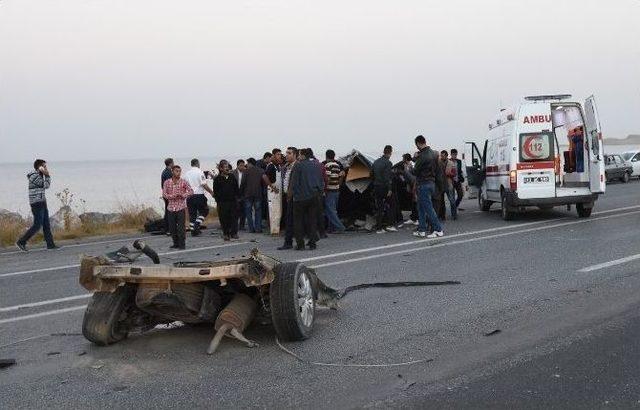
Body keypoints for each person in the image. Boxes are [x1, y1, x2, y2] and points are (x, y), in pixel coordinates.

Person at [16, 159, 59, 251]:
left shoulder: (40, 175)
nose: (46, 168)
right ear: (39, 167)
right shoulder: (34, 176)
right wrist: (47, 175)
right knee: (37, 225)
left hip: (42, 201)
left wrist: (45, 174)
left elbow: (45, 185)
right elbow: (46, 185)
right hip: (36, 203)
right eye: (44, 166)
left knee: (46, 224)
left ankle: (50, 244)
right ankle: (22, 241)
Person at [289, 148, 323, 250]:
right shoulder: (317, 165)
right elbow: (321, 180)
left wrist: (292, 195)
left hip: (300, 197)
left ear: (303, 155)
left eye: (299, 154)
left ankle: (300, 244)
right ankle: (312, 243)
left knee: (298, 221)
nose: (298, 156)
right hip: (314, 196)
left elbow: (294, 182)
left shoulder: (298, 165)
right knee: (312, 220)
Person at [412, 136, 444, 238]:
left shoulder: (422, 155)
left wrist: (413, 162)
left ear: (418, 143)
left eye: (416, 145)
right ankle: (422, 230)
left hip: (423, 184)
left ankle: (438, 229)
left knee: (428, 208)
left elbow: (415, 171)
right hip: (432, 183)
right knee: (421, 207)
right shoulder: (434, 153)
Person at [162, 165, 193, 249]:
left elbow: (191, 191)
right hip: (171, 208)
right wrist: (172, 196)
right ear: (172, 171)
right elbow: (164, 194)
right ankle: (175, 243)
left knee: (181, 228)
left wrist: (183, 195)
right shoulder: (167, 182)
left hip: (180, 207)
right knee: (172, 228)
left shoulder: (184, 181)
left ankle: (182, 244)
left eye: (179, 171)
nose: (178, 173)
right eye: (176, 171)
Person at [371, 145, 397, 234]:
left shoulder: (375, 162)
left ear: (383, 151)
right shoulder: (388, 163)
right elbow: (387, 178)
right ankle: (390, 225)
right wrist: (390, 189)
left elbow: (371, 175)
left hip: (376, 187)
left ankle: (379, 228)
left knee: (380, 207)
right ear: (390, 152)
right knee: (392, 205)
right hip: (384, 187)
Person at [184, 158, 213, 236]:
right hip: (199, 195)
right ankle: (197, 225)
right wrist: (211, 192)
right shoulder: (200, 172)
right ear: (197, 164)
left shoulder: (186, 173)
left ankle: (193, 231)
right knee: (204, 211)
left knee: (192, 214)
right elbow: (204, 184)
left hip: (189, 196)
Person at [213, 160, 240, 241]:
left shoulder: (232, 177)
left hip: (232, 201)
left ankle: (234, 233)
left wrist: (237, 198)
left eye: (227, 167)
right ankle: (226, 234)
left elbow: (236, 188)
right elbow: (216, 191)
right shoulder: (217, 179)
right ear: (221, 168)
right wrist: (218, 201)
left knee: (234, 218)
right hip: (222, 203)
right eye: (225, 167)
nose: (227, 169)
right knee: (224, 218)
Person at [278, 146, 298, 250]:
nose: (287, 155)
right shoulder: (286, 166)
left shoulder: (297, 166)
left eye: (289, 153)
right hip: (287, 196)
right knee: (289, 219)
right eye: (286, 153)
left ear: (295, 155)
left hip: (295, 196)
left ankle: (290, 241)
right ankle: (288, 241)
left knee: (293, 219)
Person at [240, 158, 265, 233]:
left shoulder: (246, 171)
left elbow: (243, 183)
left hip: (248, 194)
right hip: (258, 193)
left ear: (250, 163)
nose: (246, 164)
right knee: (258, 211)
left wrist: (240, 193)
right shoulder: (261, 171)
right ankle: (258, 228)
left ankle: (251, 229)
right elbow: (263, 183)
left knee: (248, 211)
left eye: (247, 163)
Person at [323, 149, 346, 233]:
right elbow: (340, 177)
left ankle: (340, 227)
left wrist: (324, 188)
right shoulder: (337, 165)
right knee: (333, 210)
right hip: (336, 189)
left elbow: (327, 178)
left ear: (326, 156)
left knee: (329, 210)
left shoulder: (328, 165)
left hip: (330, 190)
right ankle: (331, 228)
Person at [308, 148, 328, 239]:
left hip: (309, 192)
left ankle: (312, 233)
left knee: (310, 214)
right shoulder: (320, 165)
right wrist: (324, 189)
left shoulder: (305, 165)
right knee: (319, 213)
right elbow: (325, 179)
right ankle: (322, 232)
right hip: (319, 192)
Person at [441, 150, 458, 220]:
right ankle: (442, 216)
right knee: (441, 201)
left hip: (449, 184)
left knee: (452, 200)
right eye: (441, 155)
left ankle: (454, 214)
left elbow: (454, 173)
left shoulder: (451, 163)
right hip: (441, 184)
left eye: (443, 155)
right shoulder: (439, 162)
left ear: (446, 156)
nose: (441, 157)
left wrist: (449, 174)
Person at [161, 158, 174, 235]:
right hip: (169, 194)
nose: (173, 164)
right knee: (170, 212)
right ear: (170, 164)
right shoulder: (169, 173)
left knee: (167, 211)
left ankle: (166, 228)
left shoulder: (164, 172)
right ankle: (169, 229)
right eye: (173, 163)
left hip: (165, 193)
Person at [233, 159, 247, 230]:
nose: (242, 167)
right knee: (236, 210)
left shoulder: (246, 173)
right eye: (241, 165)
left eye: (243, 165)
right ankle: (235, 225)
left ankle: (242, 225)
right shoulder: (233, 173)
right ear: (237, 166)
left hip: (243, 194)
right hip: (235, 194)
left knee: (243, 210)